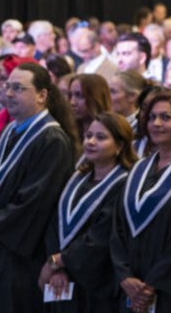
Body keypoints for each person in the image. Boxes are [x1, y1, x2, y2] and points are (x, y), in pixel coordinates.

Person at [0, 62, 77, 313]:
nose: (8, 93)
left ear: (42, 95)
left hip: (22, 254)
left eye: (18, 88)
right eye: (7, 86)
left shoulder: (51, 140)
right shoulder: (9, 131)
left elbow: (34, 202)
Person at [111, 90, 171, 313]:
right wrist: (124, 276)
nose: (156, 123)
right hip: (129, 288)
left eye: (166, 117)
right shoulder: (138, 168)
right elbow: (117, 227)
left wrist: (152, 284)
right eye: (152, 117)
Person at [39, 112, 136, 312]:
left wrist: (59, 261)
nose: (91, 141)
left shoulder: (125, 184)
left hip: (97, 284)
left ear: (119, 146)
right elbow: (54, 223)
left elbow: (102, 236)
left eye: (101, 137)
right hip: (63, 280)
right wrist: (57, 266)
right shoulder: (77, 177)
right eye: (88, 135)